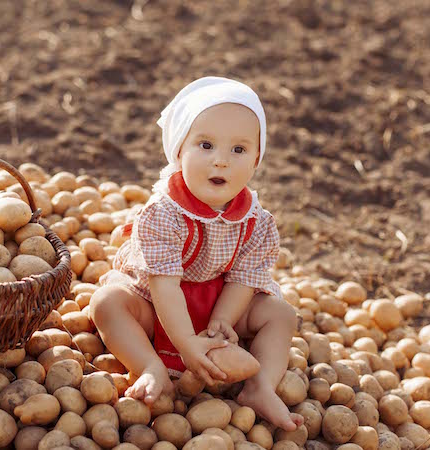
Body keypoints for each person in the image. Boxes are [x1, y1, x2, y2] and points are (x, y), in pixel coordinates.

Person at [90, 77, 303, 431]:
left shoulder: (257, 221)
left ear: (255, 162)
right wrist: (187, 344)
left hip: (218, 299)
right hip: (159, 301)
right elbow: (165, 287)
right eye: (205, 145)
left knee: (281, 314)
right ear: (179, 152)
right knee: (108, 302)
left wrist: (221, 322)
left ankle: (260, 386)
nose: (221, 161)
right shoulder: (164, 213)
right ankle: (148, 365)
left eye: (239, 150)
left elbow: (244, 279)